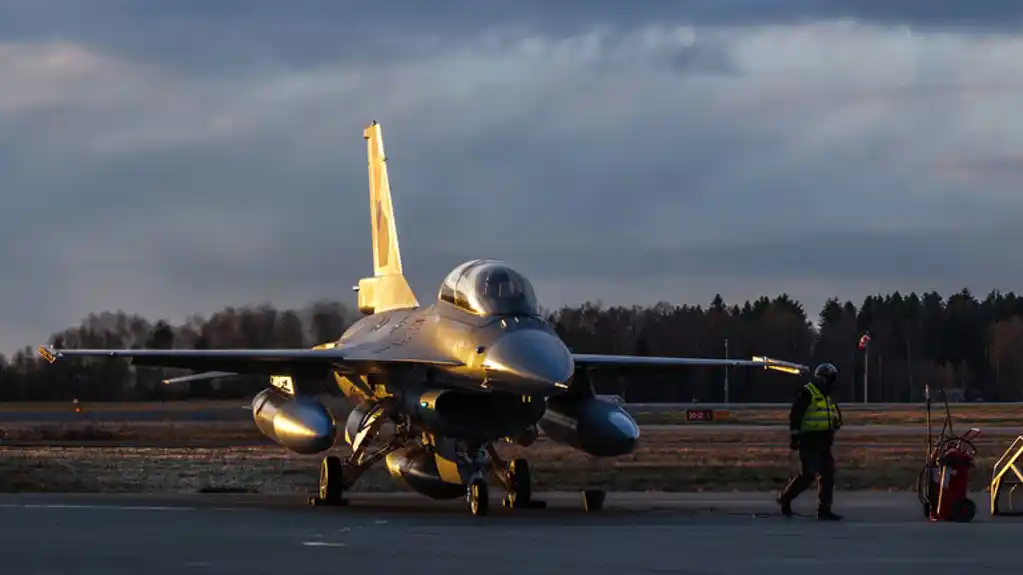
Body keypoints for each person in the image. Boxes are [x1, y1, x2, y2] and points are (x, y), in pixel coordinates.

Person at [776, 362, 844, 520]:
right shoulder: (807, 393)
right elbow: (795, 415)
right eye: (830, 379)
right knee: (808, 474)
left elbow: (829, 414)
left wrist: (834, 423)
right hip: (809, 439)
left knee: (828, 474)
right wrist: (794, 437)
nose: (831, 383)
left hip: (824, 440)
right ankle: (785, 499)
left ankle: (824, 509)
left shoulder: (826, 396)